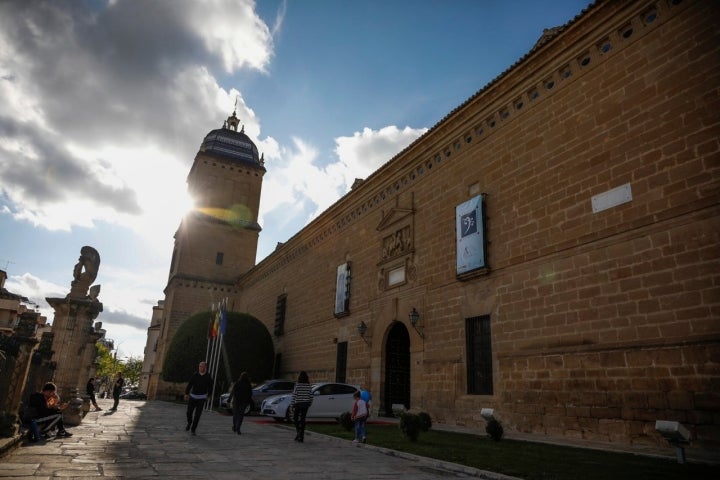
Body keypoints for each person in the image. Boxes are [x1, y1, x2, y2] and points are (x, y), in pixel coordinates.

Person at [184, 361, 213, 435]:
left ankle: (193, 429)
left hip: (201, 398)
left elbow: (210, 387)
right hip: (193, 397)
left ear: (205, 367)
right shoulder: (195, 375)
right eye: (200, 366)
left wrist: (209, 395)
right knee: (189, 412)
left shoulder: (208, 376)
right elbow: (190, 384)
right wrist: (186, 393)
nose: (200, 368)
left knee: (198, 415)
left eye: (202, 366)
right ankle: (189, 422)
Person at [290, 371, 313, 442]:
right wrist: (310, 403)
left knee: (295, 419)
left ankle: (299, 433)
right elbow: (311, 396)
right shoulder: (309, 385)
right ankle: (301, 436)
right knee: (303, 419)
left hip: (298, 404)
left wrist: (292, 405)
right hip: (305, 404)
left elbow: (294, 396)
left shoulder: (297, 385)